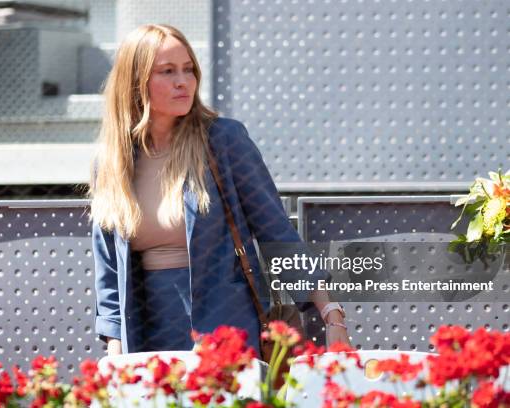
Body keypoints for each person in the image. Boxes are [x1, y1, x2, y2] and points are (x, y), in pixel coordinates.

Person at [88, 24, 349, 357]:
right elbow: (108, 269)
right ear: (135, 83)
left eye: (188, 70)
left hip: (225, 326)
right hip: (145, 332)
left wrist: (331, 315)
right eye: (167, 72)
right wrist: (115, 347)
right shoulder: (111, 162)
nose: (183, 81)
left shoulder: (223, 140)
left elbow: (275, 233)